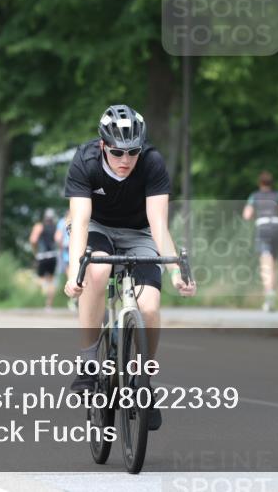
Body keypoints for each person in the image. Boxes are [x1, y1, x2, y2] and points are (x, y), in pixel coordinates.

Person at [63, 104, 196, 431]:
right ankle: (89, 361)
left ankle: (144, 382)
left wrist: (177, 272)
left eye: (132, 152)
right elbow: (79, 222)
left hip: (140, 233)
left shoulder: (152, 163)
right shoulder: (85, 161)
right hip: (97, 227)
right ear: (103, 146)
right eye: (118, 152)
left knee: (149, 306)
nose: (125, 160)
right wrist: (72, 273)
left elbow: (159, 223)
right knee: (95, 271)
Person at [242, 171, 278, 312]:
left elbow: (246, 215)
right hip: (276, 228)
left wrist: (256, 215)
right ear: (271, 183)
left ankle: (268, 295)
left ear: (260, 183)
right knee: (274, 264)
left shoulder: (254, 196)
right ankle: (272, 294)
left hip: (263, 228)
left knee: (265, 264)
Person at [29, 209, 59, 310]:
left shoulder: (39, 226)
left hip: (42, 256)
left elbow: (33, 240)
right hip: (53, 255)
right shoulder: (56, 227)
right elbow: (59, 239)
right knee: (51, 280)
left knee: (39, 279)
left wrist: (35, 252)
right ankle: (48, 305)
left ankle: (44, 287)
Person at [54, 212, 77, 312]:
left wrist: (60, 248)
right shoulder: (81, 218)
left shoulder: (62, 222)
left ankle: (74, 299)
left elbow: (58, 238)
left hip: (67, 251)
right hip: (82, 248)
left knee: (71, 275)